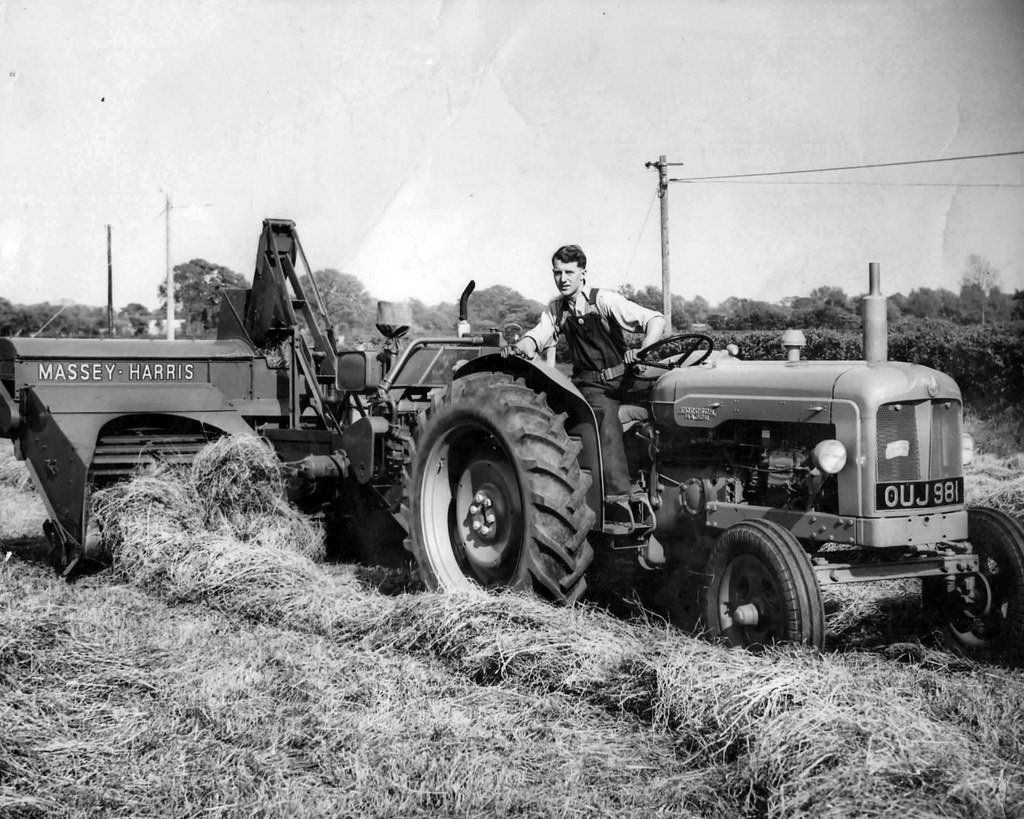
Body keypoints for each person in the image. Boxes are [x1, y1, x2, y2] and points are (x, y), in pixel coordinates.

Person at [513, 244, 666, 506]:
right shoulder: (556, 309)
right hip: (590, 385)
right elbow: (537, 335)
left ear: (583, 272)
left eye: (569, 272)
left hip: (625, 377)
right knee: (605, 417)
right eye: (557, 273)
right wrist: (525, 344)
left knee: (666, 403)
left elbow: (656, 320)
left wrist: (643, 351)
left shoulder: (603, 300)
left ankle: (661, 475)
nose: (563, 279)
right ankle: (619, 496)